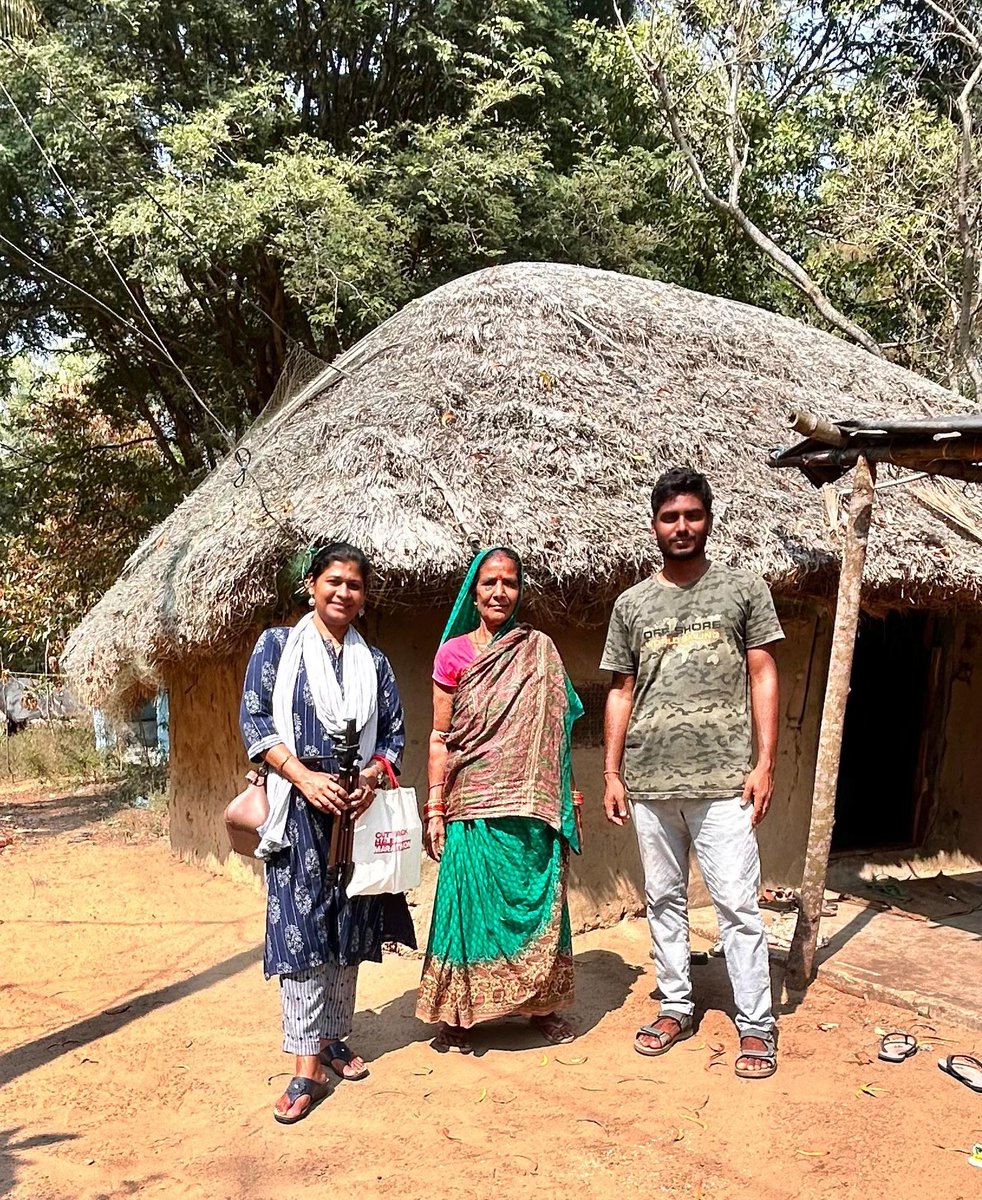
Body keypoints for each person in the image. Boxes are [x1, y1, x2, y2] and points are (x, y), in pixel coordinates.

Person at [600, 468, 783, 1079]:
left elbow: (763, 673)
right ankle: (675, 1005)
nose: (682, 527)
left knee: (736, 905)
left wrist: (764, 762)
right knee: (663, 901)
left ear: (709, 519)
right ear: (654, 525)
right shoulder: (632, 604)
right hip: (650, 783)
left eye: (693, 516)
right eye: (670, 517)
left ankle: (755, 1024)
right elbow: (621, 691)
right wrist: (611, 770)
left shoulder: (743, 590)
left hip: (726, 782)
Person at [239, 542, 415, 1123]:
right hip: (298, 807)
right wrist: (305, 778)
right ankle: (303, 1069)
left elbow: (393, 735)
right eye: (333, 581)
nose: (343, 592)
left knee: (349, 925)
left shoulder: (377, 664)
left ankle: (335, 1036)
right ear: (312, 584)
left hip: (356, 811)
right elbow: (256, 722)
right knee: (301, 932)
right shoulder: (277, 649)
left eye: (355, 585)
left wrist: (368, 779)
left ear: (364, 598)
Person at [416, 547, 583, 1053]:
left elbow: (557, 724)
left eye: (509, 583)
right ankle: (459, 1012)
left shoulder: (539, 650)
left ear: (519, 590)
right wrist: (436, 807)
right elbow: (441, 738)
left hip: (531, 807)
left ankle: (541, 1006)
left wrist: (565, 792)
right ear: (474, 590)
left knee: (537, 902)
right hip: (470, 803)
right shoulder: (454, 654)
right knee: (467, 907)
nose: (499, 592)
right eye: (489, 582)